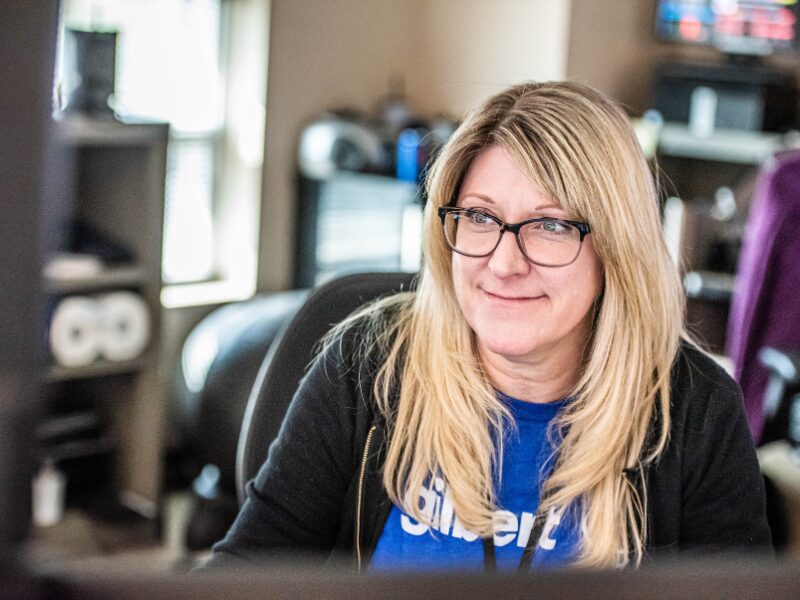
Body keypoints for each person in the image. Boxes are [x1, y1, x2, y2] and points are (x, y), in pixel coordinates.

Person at [205, 81, 771, 572]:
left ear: (615, 249)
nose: (503, 262)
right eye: (479, 217)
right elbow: (247, 575)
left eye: (549, 225)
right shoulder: (368, 368)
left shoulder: (694, 412)